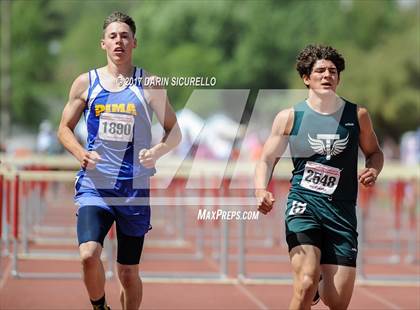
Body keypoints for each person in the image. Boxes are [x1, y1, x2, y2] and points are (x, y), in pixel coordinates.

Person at [57, 12, 181, 310]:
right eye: (113, 36)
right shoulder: (86, 83)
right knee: (88, 254)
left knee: (128, 273)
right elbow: (63, 129)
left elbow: (174, 131)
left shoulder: (148, 83)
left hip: (133, 190)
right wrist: (80, 153)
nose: (119, 41)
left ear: (134, 43)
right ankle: (100, 306)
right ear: (103, 43)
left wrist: (157, 152)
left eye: (124, 36)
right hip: (95, 186)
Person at [255, 44, 384, 310]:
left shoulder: (357, 115)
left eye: (333, 71)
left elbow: (374, 152)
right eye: (320, 71)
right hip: (304, 206)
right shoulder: (290, 117)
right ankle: (312, 281)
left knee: (337, 302)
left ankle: (320, 279)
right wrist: (260, 189)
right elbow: (267, 158)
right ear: (306, 78)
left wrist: (373, 169)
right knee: (304, 283)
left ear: (339, 78)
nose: (327, 75)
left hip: (341, 212)